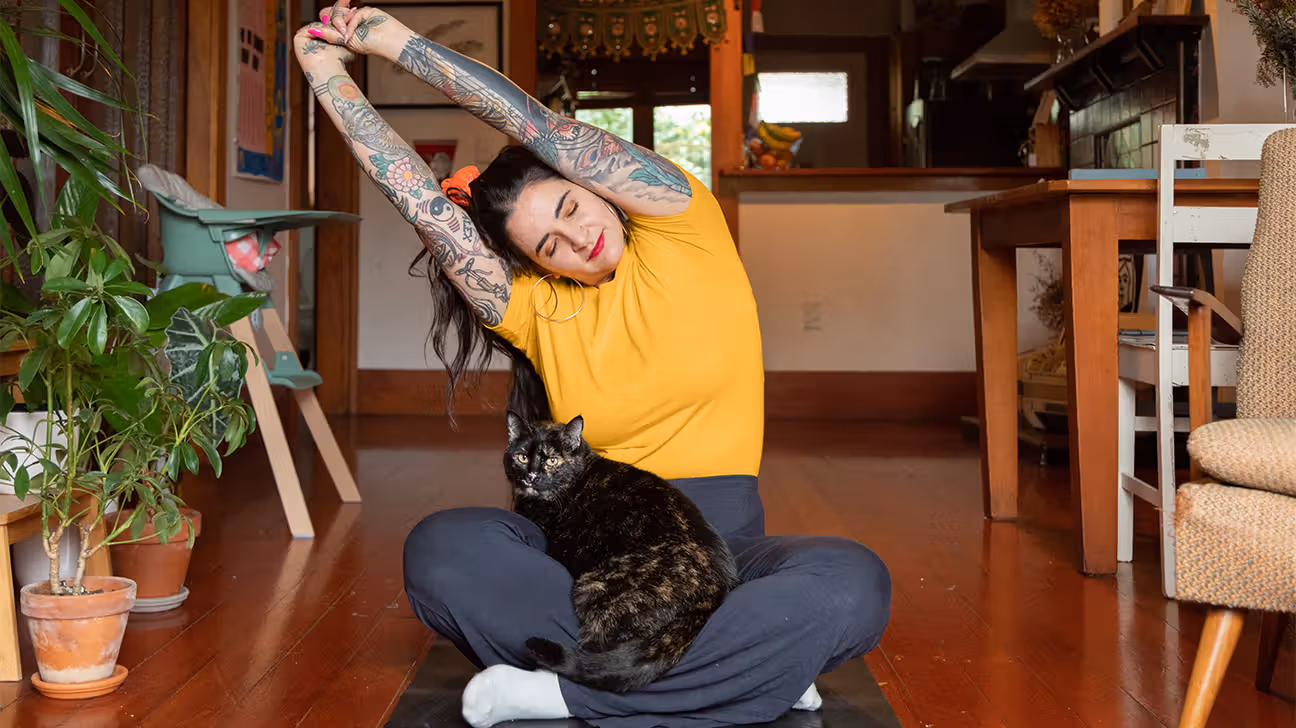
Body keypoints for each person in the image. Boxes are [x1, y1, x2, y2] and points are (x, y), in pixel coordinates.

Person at [296, 5, 891, 727]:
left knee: (852, 582)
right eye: (549, 245)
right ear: (537, 266)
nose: (578, 238)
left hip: (722, 555)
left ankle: (563, 693)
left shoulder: (684, 228)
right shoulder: (535, 309)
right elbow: (421, 202)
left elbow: (539, 128)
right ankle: (747, 673)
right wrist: (327, 77)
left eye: (574, 207)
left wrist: (395, 44)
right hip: (591, 566)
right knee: (441, 550)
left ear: (598, 184)